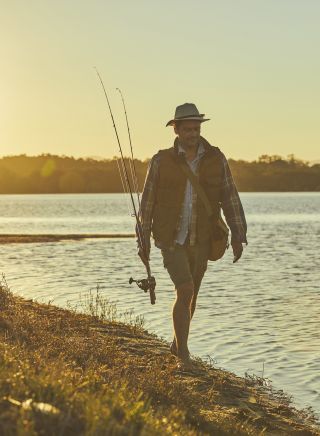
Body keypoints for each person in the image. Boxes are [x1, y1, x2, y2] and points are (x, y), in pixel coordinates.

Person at [137, 103, 247, 368]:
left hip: (203, 238)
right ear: (175, 129)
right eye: (187, 129)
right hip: (170, 238)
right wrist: (142, 239)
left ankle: (177, 345)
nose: (193, 133)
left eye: (196, 128)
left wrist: (237, 234)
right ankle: (184, 356)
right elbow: (147, 202)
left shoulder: (216, 158)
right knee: (184, 289)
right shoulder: (161, 160)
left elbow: (229, 196)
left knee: (192, 294)